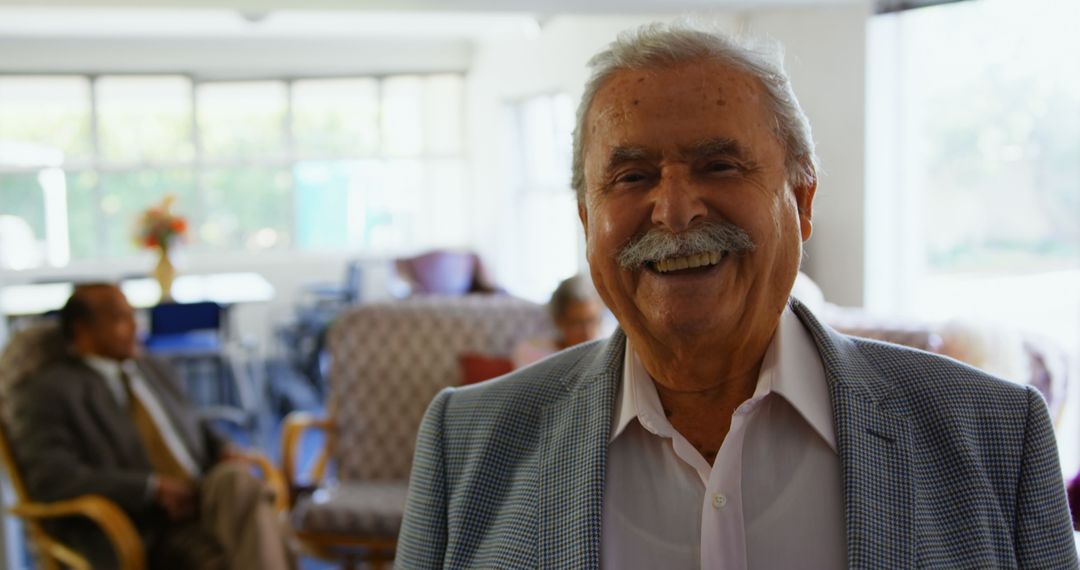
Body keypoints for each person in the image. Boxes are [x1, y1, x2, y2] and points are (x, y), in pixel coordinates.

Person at [397, 21, 1076, 569]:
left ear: (802, 200)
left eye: (719, 165)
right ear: (585, 218)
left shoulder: (997, 435)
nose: (674, 211)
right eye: (632, 177)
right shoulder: (469, 443)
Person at [5, 283, 293, 570]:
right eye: (120, 318)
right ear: (82, 330)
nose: (136, 327)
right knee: (259, 528)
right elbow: (53, 478)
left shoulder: (154, 368)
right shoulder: (49, 391)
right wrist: (150, 489)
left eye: (134, 316)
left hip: (203, 494)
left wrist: (224, 449)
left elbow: (196, 424)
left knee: (237, 482)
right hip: (141, 522)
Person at [512, 274, 603, 368]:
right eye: (576, 324)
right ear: (558, 321)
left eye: (593, 320)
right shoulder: (532, 355)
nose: (587, 332)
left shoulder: (606, 352)